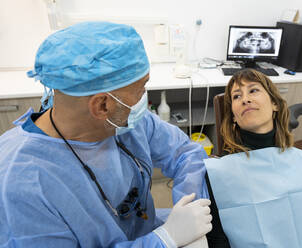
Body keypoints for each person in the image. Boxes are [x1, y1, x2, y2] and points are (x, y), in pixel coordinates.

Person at [0, 21, 212, 248]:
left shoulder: (125, 122)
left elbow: (185, 153)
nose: (143, 97)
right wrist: (163, 240)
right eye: (141, 88)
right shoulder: (22, 183)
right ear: (102, 105)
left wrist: (188, 206)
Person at [205, 69, 302, 247]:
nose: (245, 99)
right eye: (237, 96)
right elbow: (216, 241)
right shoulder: (220, 174)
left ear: (274, 104)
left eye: (253, 90)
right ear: (233, 117)